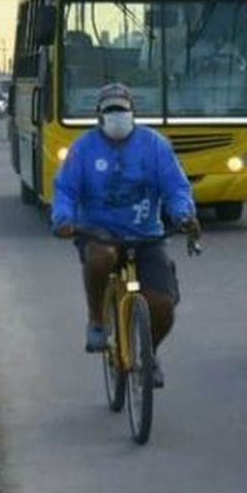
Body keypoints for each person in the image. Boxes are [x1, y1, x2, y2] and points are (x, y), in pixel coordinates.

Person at [51, 82, 200, 384]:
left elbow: (176, 187)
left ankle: (149, 354)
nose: (117, 115)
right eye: (110, 110)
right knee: (101, 257)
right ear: (99, 116)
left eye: (122, 109)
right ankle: (96, 320)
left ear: (134, 113)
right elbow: (65, 189)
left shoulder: (154, 145)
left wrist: (183, 214)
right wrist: (63, 219)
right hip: (100, 232)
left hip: (146, 235)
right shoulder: (83, 149)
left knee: (162, 306)